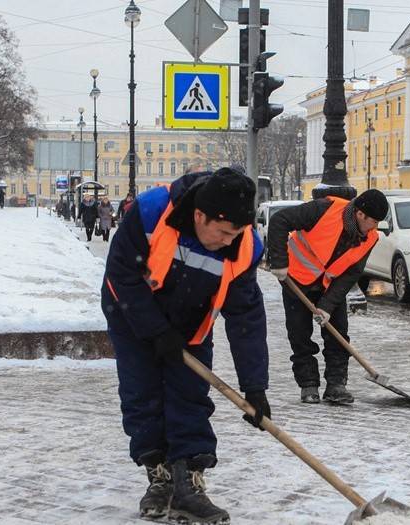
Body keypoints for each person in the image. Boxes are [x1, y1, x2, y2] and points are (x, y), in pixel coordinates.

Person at [101, 167, 270, 524]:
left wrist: (254, 386)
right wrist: (155, 330)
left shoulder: (245, 246)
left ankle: (188, 485)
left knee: (189, 395)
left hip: (192, 323)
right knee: (141, 393)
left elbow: (246, 318)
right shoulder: (150, 212)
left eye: (237, 232)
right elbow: (122, 274)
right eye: (223, 232)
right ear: (199, 215)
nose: (229, 240)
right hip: (132, 313)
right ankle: (159, 477)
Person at [266, 189, 388, 404]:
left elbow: (352, 273)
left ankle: (336, 385)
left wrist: (328, 306)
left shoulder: (370, 238)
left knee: (338, 335)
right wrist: (278, 262)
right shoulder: (324, 209)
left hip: (329, 286)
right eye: (373, 221)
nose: (375, 226)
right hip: (296, 279)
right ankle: (308, 385)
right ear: (360, 214)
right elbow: (280, 220)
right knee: (300, 336)